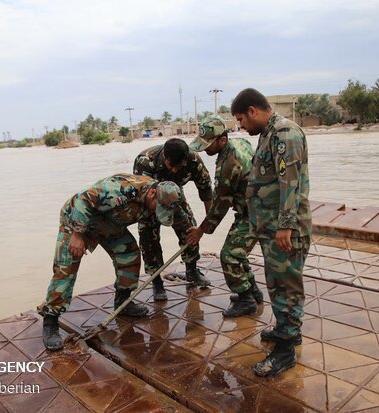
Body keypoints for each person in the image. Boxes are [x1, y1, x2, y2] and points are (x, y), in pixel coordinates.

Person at [41, 173, 193, 351]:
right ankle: (50, 321)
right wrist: (77, 234)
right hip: (77, 219)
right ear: (152, 194)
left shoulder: (168, 196)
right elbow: (84, 200)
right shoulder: (121, 190)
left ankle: (123, 302)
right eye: (157, 208)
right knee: (66, 268)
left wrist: (193, 233)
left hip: (111, 223)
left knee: (129, 255)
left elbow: (183, 220)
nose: (156, 212)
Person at [231, 88, 312, 377]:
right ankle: (285, 331)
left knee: (286, 289)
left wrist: (286, 225)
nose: (241, 126)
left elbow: (289, 181)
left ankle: (285, 351)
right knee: (278, 285)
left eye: (241, 119)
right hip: (272, 229)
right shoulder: (268, 133)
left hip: (285, 230)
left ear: (253, 111)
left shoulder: (285, 133)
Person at [186, 116, 264, 318]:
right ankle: (252, 291)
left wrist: (200, 231)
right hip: (254, 207)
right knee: (238, 252)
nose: (204, 150)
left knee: (229, 255)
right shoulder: (240, 142)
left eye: (208, 145)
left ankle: (246, 300)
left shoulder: (229, 163)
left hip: (256, 213)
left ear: (222, 140)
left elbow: (221, 203)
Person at [133, 138, 213, 301]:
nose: (176, 170)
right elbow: (143, 195)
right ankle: (157, 282)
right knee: (148, 236)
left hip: (175, 196)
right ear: (164, 156)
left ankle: (192, 271)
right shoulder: (145, 162)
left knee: (191, 229)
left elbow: (206, 189)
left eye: (180, 167)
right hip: (150, 200)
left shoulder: (193, 160)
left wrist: (209, 223)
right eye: (172, 166)